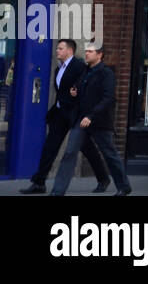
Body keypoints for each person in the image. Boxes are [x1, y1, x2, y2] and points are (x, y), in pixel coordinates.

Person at [21, 40, 110, 195]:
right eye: (57, 48)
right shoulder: (58, 69)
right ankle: (39, 183)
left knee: (88, 149)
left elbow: (86, 88)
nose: (57, 51)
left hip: (75, 115)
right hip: (60, 115)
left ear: (69, 51)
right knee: (50, 147)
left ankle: (103, 178)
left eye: (60, 48)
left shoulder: (80, 66)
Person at [48, 44, 132, 196]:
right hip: (81, 119)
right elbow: (82, 91)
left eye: (90, 51)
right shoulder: (85, 72)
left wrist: (91, 115)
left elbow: (108, 99)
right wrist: (75, 92)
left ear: (99, 55)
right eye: (86, 51)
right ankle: (57, 191)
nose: (86, 54)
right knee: (70, 152)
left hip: (98, 121)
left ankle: (124, 186)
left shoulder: (106, 73)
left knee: (109, 154)